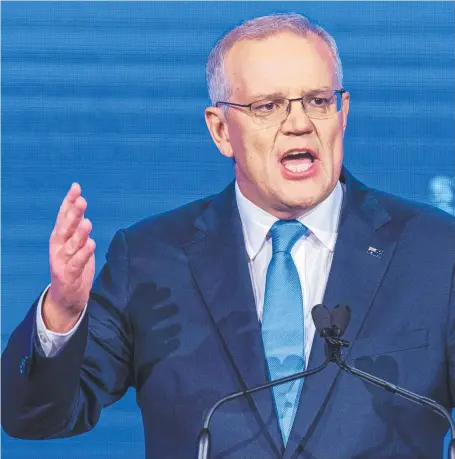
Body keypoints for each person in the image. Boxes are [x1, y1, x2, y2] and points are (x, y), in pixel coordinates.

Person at [2, 12, 455, 459]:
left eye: (318, 100)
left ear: (343, 112)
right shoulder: (150, 260)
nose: (299, 123)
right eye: (267, 106)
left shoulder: (435, 250)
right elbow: (37, 418)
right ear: (221, 130)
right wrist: (61, 313)